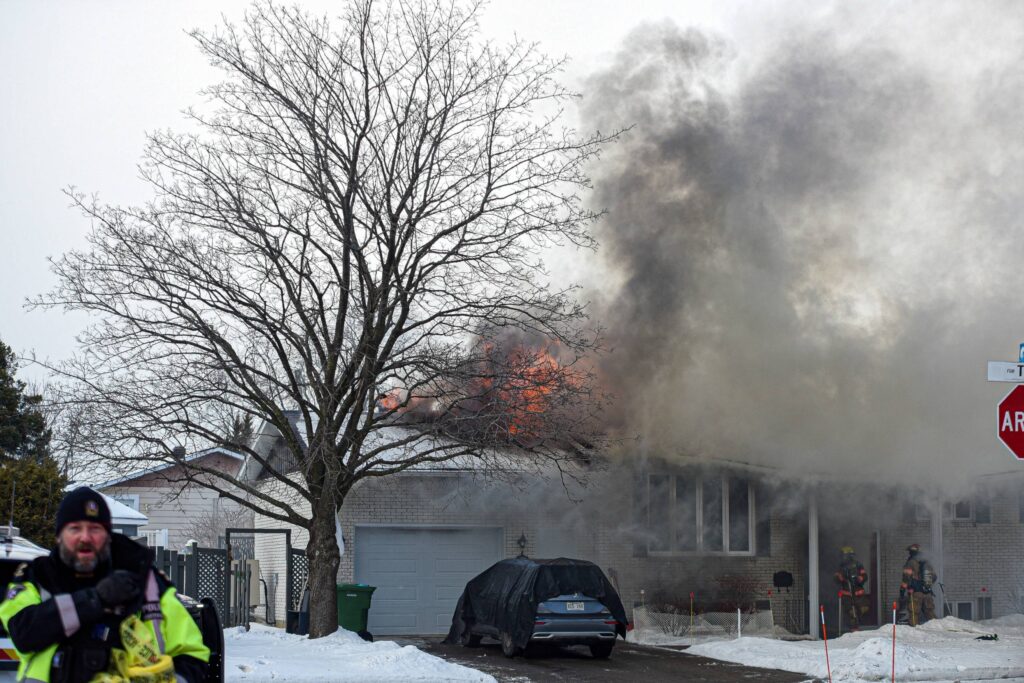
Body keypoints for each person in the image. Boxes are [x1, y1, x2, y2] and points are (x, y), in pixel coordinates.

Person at [0, 487, 210, 682]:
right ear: (58, 537)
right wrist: (95, 600)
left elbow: (193, 657)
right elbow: (25, 633)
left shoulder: (148, 585)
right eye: (75, 528)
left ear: (108, 536)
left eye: (95, 528)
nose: (85, 537)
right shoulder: (36, 579)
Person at [900, 543, 937, 625]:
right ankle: (937, 630)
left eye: (910, 552)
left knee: (914, 613)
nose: (909, 553)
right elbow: (934, 576)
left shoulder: (910, 562)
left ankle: (914, 631)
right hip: (927, 593)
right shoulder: (927, 562)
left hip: (915, 593)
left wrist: (902, 590)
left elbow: (906, 578)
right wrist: (927, 586)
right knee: (930, 613)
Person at [834, 546, 869, 631]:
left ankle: (857, 626)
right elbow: (835, 579)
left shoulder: (858, 564)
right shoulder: (841, 567)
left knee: (862, 610)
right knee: (850, 613)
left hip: (858, 593)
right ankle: (853, 629)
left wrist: (860, 578)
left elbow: (865, 576)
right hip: (847, 594)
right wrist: (840, 578)